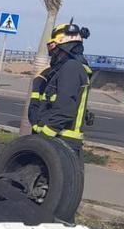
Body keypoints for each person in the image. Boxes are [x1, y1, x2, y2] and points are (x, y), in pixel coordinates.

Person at [30, 21, 93, 152]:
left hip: (61, 142)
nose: (51, 52)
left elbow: (64, 111)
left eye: (53, 46)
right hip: (56, 142)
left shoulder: (71, 68)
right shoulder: (63, 70)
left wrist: (43, 138)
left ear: (64, 46)